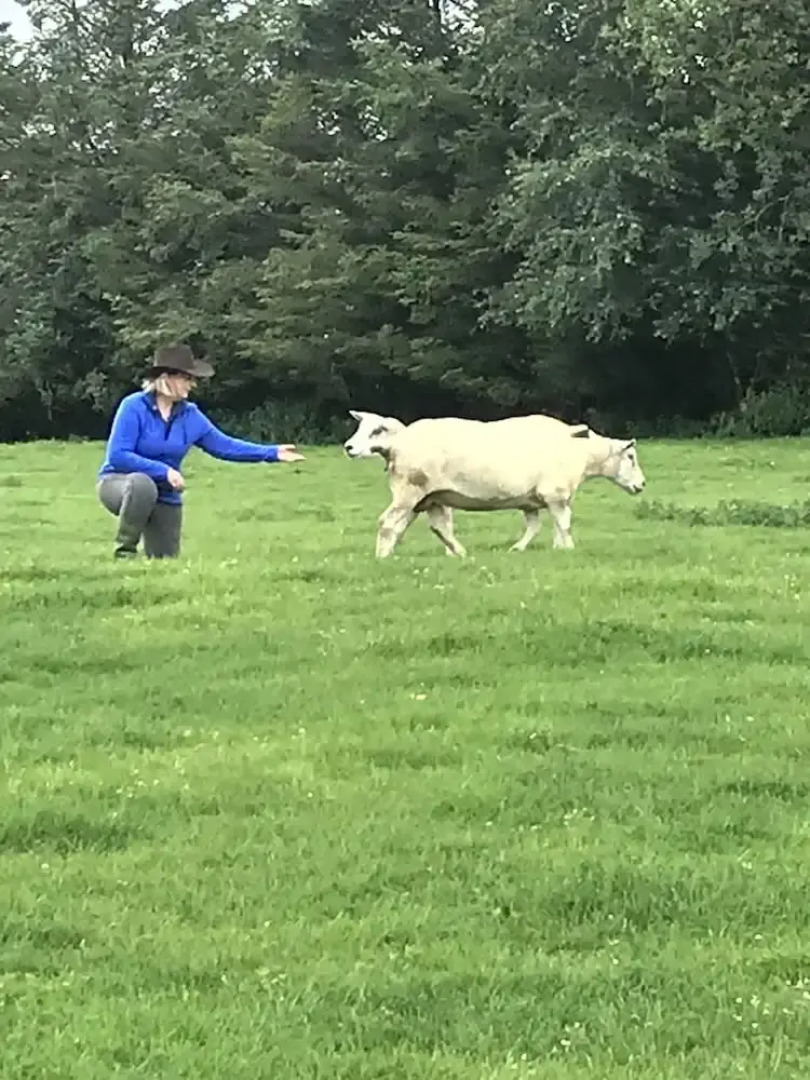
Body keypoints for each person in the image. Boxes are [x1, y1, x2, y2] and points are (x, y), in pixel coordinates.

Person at [96, 343, 304, 559]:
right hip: (119, 483)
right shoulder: (133, 406)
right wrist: (165, 471)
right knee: (142, 484)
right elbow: (118, 455)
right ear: (168, 378)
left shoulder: (190, 415)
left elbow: (225, 446)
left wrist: (271, 453)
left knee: (164, 561)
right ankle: (125, 551)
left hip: (166, 493)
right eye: (187, 378)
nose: (192, 384)